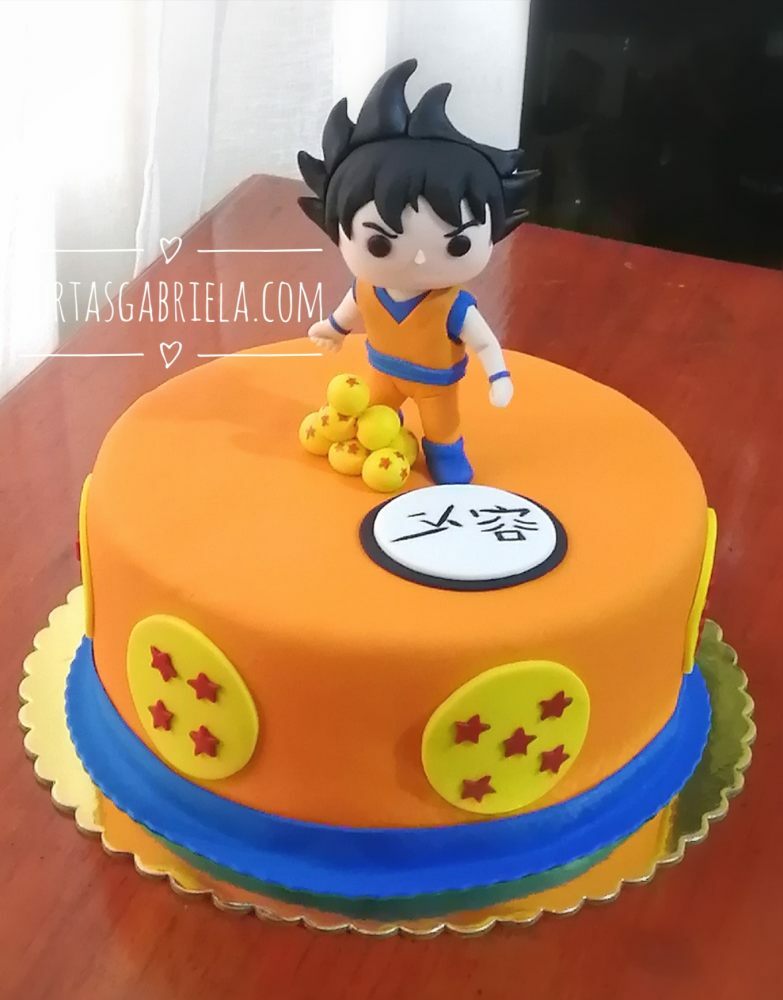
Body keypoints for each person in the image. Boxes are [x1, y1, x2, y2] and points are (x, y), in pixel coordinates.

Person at [298, 59, 536, 484]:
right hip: (382, 372)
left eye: (457, 244)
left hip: (435, 385)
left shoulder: (453, 306)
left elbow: (484, 343)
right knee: (370, 421)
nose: (421, 261)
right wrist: (332, 329)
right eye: (380, 243)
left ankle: (443, 454)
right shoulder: (367, 288)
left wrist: (498, 375)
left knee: (442, 429)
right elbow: (350, 311)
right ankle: (379, 441)